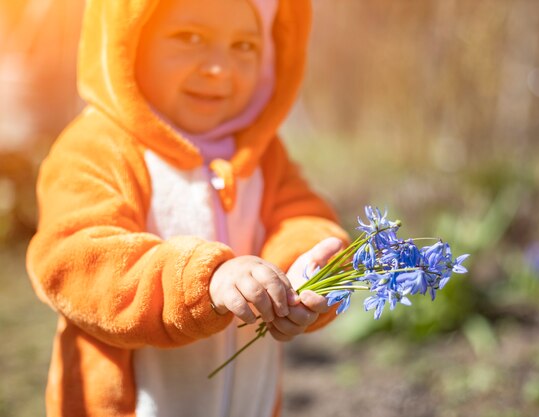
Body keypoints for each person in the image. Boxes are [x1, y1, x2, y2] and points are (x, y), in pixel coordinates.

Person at [25, 0, 348, 416]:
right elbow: (72, 260)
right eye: (189, 38)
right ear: (131, 41)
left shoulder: (261, 154)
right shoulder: (97, 148)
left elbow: (301, 217)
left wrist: (305, 270)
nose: (219, 68)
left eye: (244, 45)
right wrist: (203, 281)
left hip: (249, 402)